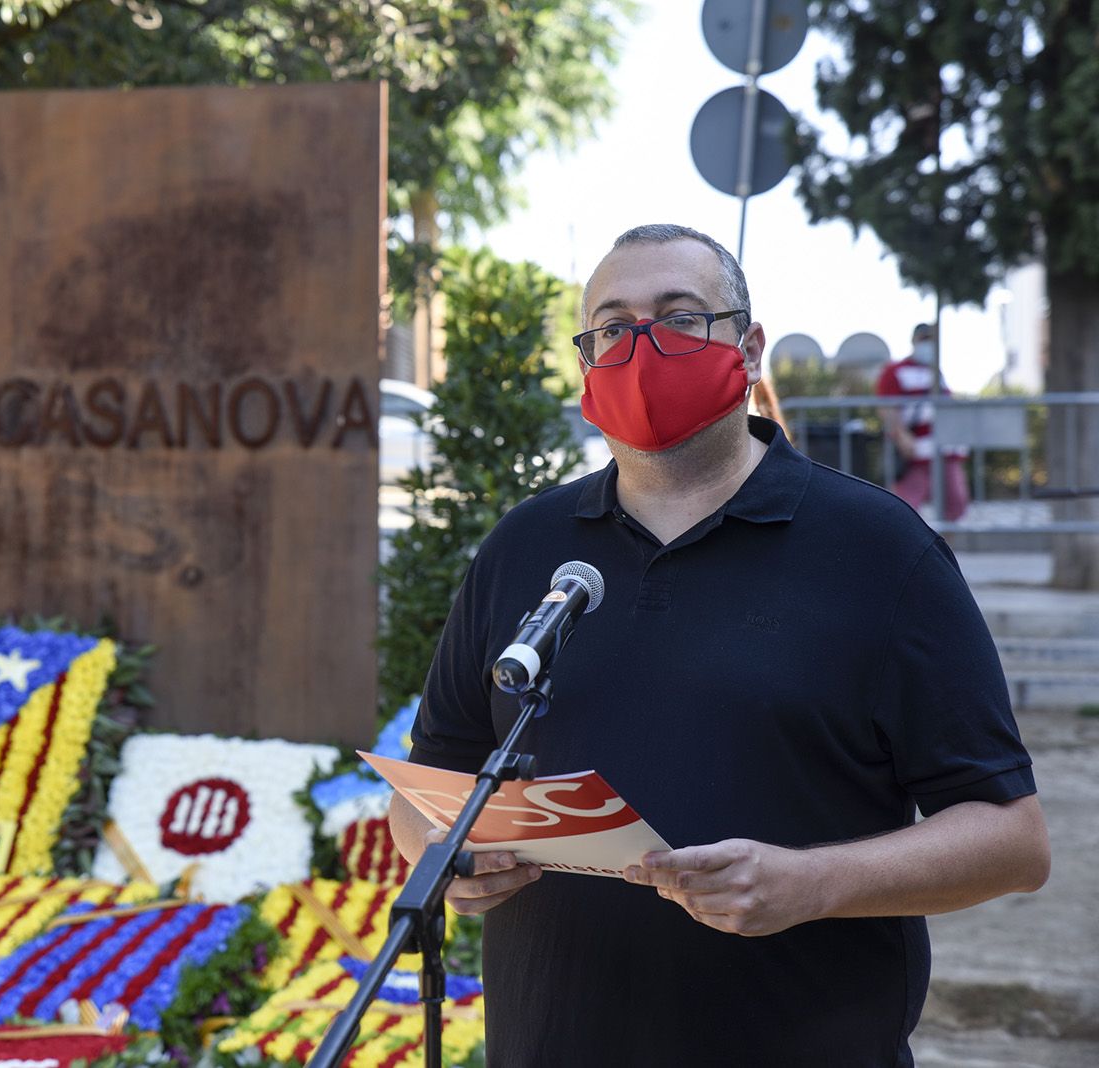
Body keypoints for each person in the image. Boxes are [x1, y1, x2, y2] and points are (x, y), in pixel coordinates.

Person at [389, 225, 1049, 1066]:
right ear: (586, 357)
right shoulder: (527, 545)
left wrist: (812, 883)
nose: (642, 349)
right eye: (613, 327)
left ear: (749, 345)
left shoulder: (879, 551)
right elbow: (427, 789)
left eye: (679, 319)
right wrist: (454, 859)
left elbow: (1012, 840)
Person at [876, 323, 970, 521]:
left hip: (945, 452)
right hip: (915, 454)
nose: (928, 345)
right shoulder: (895, 370)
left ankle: (944, 550)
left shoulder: (938, 373)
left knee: (956, 505)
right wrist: (901, 436)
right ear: (914, 341)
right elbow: (887, 408)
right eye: (924, 340)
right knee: (905, 511)